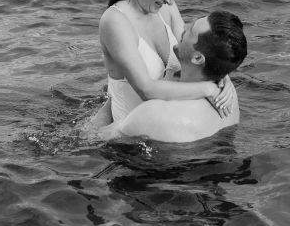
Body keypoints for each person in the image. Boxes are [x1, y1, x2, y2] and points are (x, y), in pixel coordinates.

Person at [97, 0, 234, 123]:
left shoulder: (166, 9)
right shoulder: (116, 21)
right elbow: (146, 89)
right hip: (129, 136)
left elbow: (193, 51)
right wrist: (208, 88)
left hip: (168, 124)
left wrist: (221, 76)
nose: (171, 0)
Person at [100, 10, 247, 143]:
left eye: (191, 30)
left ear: (197, 58)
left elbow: (95, 138)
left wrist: (112, 98)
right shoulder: (229, 96)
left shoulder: (155, 113)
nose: (184, 27)